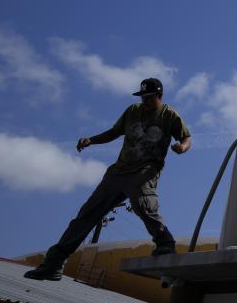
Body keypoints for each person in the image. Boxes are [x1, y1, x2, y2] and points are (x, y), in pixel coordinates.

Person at [24, 78, 192, 281]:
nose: (145, 102)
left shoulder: (169, 115)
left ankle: (165, 244)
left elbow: (186, 137)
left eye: (149, 98)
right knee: (87, 214)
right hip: (119, 171)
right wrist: (91, 140)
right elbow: (114, 132)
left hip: (145, 169)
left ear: (159, 96)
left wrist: (182, 147)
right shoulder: (132, 111)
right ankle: (54, 264)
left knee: (142, 203)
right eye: (143, 98)